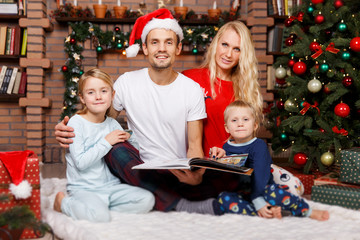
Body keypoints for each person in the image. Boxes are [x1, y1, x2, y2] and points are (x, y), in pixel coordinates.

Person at [55, 9, 223, 215]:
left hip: (175, 171)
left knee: (235, 183)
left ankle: (168, 196)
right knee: (116, 149)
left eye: (169, 42)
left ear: (178, 48)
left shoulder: (192, 89)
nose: (162, 49)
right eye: (154, 42)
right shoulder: (127, 82)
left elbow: (195, 147)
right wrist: (72, 127)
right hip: (137, 169)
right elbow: (100, 121)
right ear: (144, 47)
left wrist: (195, 174)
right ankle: (181, 204)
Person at [53, 68, 155, 222]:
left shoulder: (112, 123)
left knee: (147, 200)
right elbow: (80, 163)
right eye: (91, 92)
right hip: (85, 188)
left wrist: (130, 137)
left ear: (112, 95)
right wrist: (106, 141)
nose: (98, 97)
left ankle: (99, 206)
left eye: (104, 91)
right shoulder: (76, 123)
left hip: (111, 186)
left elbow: (131, 155)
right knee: (100, 218)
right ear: (82, 98)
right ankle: (63, 203)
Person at [210, 100, 330, 221]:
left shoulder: (259, 146)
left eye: (245, 120)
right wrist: (221, 158)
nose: (240, 124)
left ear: (255, 125)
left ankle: (306, 210)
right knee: (223, 198)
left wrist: (257, 198)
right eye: (234, 120)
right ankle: (265, 212)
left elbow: (260, 175)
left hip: (262, 189)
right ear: (227, 128)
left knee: (274, 193)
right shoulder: (226, 147)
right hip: (241, 192)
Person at [182, 21, 263, 157]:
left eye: (237, 49)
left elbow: (246, 142)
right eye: (225, 45)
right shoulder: (189, 78)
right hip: (194, 165)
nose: (228, 54)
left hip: (231, 167)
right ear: (215, 44)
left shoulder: (246, 90)